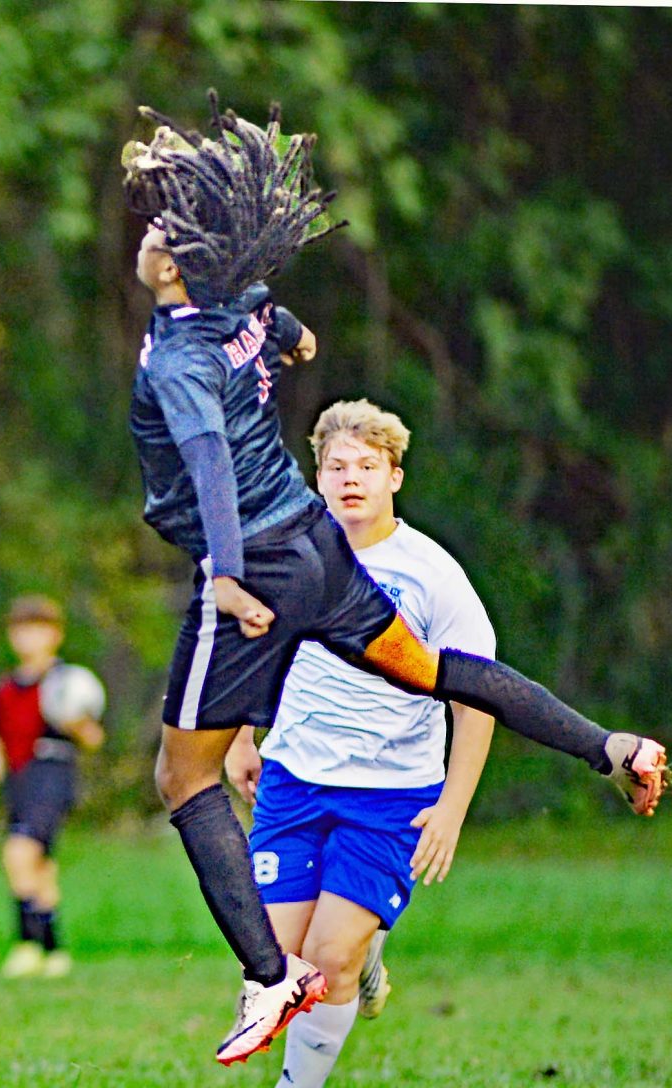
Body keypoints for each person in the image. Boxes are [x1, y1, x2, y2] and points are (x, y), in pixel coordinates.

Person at [121, 93, 669, 1066]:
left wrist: (228, 580)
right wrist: (289, 341)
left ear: (174, 261)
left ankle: (267, 974)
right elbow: (291, 330)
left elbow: (208, 466)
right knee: (433, 667)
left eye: (163, 227)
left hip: (256, 558)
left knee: (184, 774)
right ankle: (609, 745)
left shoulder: (178, 358)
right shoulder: (238, 305)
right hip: (316, 543)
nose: (152, 233)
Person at [224, 398, 495, 1086]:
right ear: (317, 477)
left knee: (331, 958)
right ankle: (364, 952)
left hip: (391, 795)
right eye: (337, 465)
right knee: (276, 967)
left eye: (367, 466)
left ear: (394, 477)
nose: (351, 479)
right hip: (292, 782)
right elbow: (246, 648)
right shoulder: (288, 558)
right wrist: (237, 739)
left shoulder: (433, 574)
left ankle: (300, 1080)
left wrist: (454, 806)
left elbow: (481, 696)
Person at [0, 595, 105, 979]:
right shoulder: (7, 685)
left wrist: (78, 725)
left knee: (18, 854)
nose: (27, 638)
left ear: (55, 635)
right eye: (20, 630)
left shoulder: (66, 682)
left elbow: (93, 736)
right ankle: (54, 951)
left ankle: (27, 943)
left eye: (37, 630)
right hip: (19, 780)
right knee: (40, 869)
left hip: (52, 775)